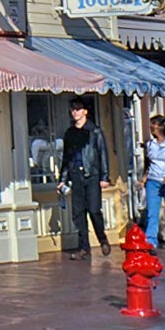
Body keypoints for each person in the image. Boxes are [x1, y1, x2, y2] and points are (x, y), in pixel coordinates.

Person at [58, 97, 111, 260]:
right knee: (78, 213)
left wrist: (104, 177)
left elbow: (102, 154)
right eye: (73, 109)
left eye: (78, 109)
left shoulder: (94, 131)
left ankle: (102, 239)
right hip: (76, 176)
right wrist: (63, 179)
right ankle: (84, 247)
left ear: (85, 111)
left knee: (94, 210)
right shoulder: (70, 133)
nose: (75, 112)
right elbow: (66, 158)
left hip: (92, 174)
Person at [142, 114, 165, 249]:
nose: (153, 127)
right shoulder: (150, 144)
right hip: (153, 181)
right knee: (152, 212)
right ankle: (151, 241)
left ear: (163, 127)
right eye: (152, 124)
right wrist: (145, 176)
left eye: (156, 124)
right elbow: (149, 161)